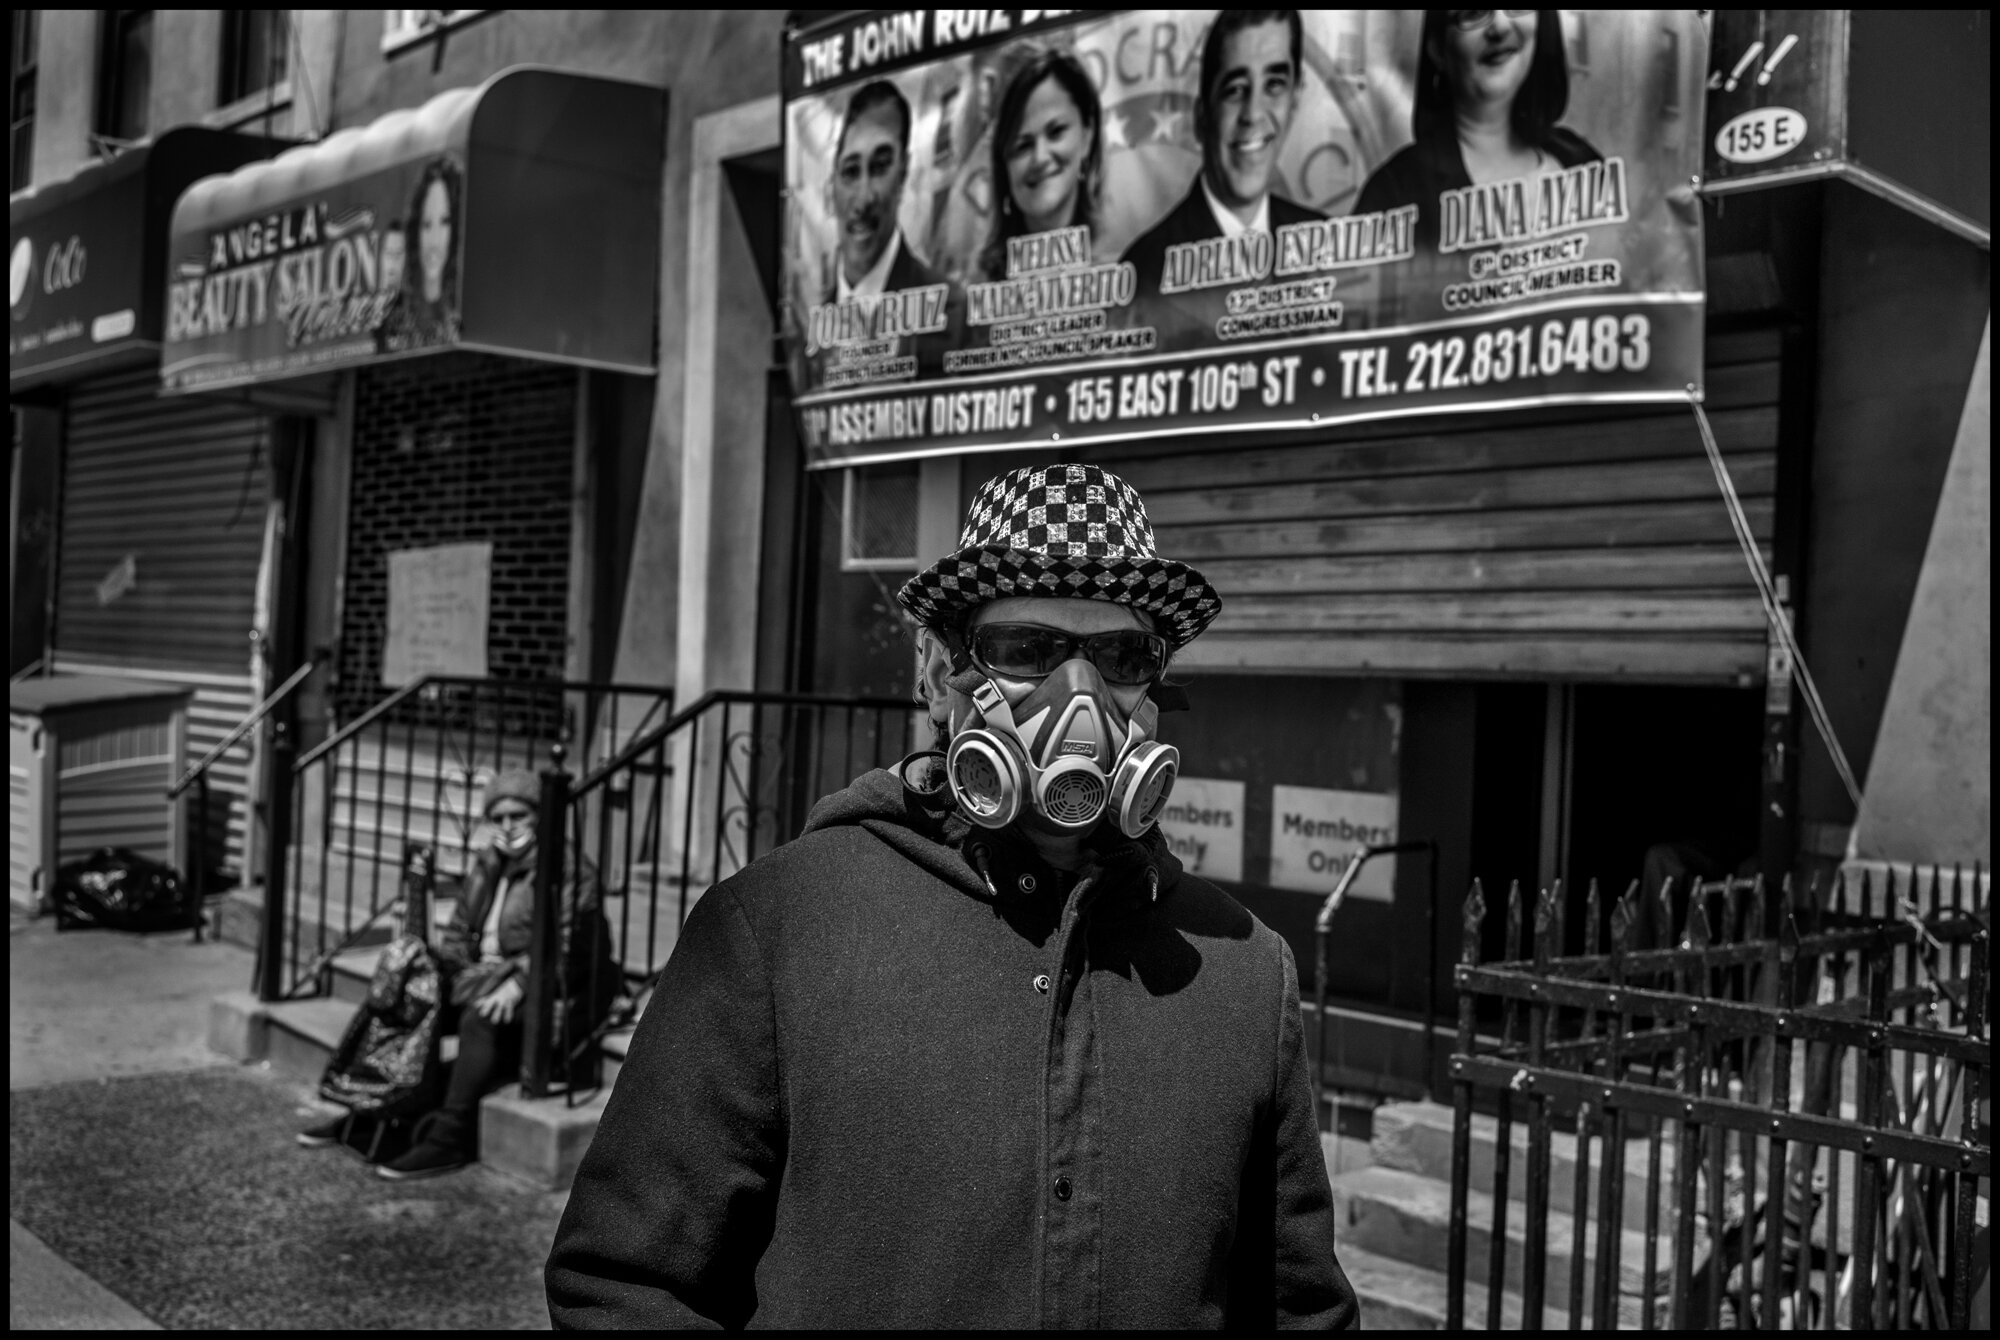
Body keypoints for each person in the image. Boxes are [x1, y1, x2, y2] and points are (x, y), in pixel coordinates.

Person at [546, 463, 1357, 1328]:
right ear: (939, 677)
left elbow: (1301, 1314)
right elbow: (623, 1287)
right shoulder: (778, 931)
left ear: (1153, 691)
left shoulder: (1243, 973)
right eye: (1026, 650)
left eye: (1122, 656)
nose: (1079, 699)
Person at [297, 768, 619, 1180]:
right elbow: (457, 934)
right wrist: (430, 971)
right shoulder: (488, 864)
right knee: (405, 995)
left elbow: (569, 947)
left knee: (479, 1019)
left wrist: (519, 983)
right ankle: (367, 1110)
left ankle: (448, 1137)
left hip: (548, 989)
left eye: (518, 816)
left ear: (540, 816)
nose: (507, 827)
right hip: (481, 974)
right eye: (497, 818)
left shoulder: (570, 870)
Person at [1120, 10, 1326, 348]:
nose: (1253, 114)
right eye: (1235, 90)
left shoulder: (1325, 244)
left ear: (1294, 101)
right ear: (1202, 117)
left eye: (1274, 85)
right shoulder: (1143, 276)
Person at [1354, 9, 1603, 252]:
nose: (1501, 26)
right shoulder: (1393, 193)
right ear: (1438, 49)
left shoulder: (1582, 160)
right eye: (1473, 13)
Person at [975, 49, 1105, 282]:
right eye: (1022, 146)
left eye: (1055, 133)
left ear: (1087, 136)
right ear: (1004, 167)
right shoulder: (974, 294)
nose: (1040, 158)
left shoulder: (1124, 270)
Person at [381, 158, 463, 351]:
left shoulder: (463, 309)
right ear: (415, 231)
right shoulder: (393, 314)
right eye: (426, 224)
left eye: (445, 222)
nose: (434, 241)